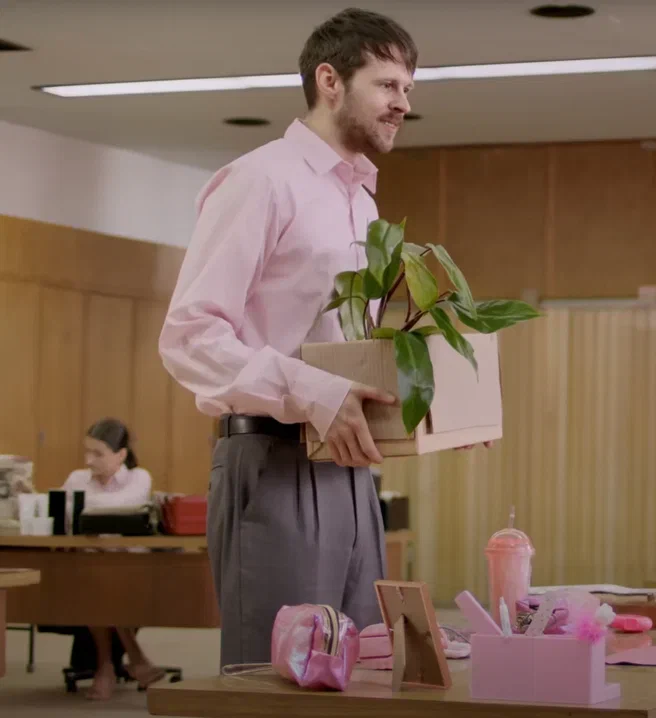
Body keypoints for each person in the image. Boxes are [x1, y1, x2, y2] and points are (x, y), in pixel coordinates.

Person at [158, 8, 437, 666]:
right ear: (330, 80)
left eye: (408, 89)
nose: (403, 104)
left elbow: (340, 342)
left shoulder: (361, 202)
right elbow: (189, 335)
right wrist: (312, 391)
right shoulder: (260, 180)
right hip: (273, 460)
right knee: (279, 679)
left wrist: (423, 400)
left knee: (362, 667)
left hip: (350, 469)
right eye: (388, 85)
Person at [61, 418, 164, 700]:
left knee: (105, 583)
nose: (88, 460)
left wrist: (87, 510)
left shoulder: (139, 477)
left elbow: (123, 508)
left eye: (98, 453)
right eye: (87, 452)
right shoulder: (77, 478)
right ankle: (134, 660)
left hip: (133, 569)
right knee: (99, 581)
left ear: (121, 455)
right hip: (90, 569)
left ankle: (106, 666)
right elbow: (65, 514)